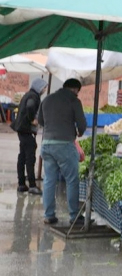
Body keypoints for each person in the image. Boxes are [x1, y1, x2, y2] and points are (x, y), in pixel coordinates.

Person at [38, 78, 87, 225]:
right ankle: (74, 216)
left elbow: (40, 121)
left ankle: (49, 215)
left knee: (49, 180)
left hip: (46, 144)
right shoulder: (74, 101)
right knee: (72, 180)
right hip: (64, 144)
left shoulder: (47, 99)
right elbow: (82, 124)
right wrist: (79, 132)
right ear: (75, 90)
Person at [12, 78, 48, 194]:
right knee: (30, 156)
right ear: (39, 87)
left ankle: (21, 184)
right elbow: (30, 106)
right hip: (26, 129)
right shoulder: (33, 96)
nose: (44, 90)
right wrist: (32, 119)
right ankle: (32, 185)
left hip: (21, 129)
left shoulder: (29, 94)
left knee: (22, 156)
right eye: (44, 87)